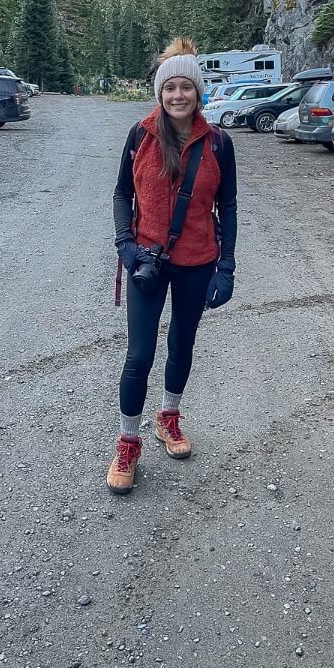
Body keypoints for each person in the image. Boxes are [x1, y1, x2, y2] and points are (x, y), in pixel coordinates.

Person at [108, 37, 238, 494]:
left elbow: (229, 206)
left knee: (182, 344)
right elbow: (123, 195)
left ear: (198, 92)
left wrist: (227, 268)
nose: (178, 96)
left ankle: (168, 418)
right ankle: (127, 442)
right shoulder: (141, 135)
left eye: (186, 87)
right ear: (160, 94)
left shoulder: (219, 143)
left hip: (197, 262)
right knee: (139, 355)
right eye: (170, 88)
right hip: (146, 259)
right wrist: (125, 245)